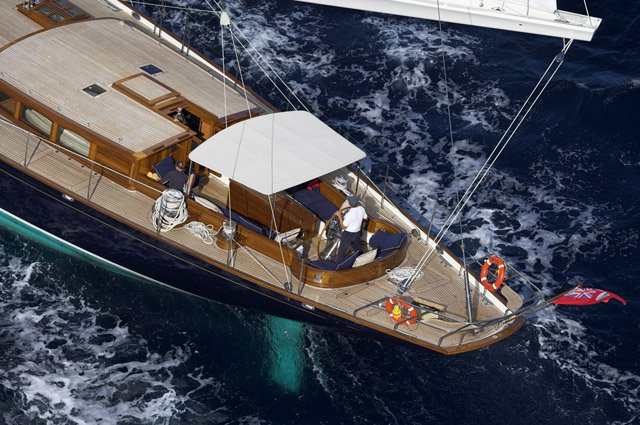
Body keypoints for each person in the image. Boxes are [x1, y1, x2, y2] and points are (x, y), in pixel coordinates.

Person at [335, 195, 367, 263]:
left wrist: (339, 216)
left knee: (341, 252)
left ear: (349, 204)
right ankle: (362, 259)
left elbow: (343, 227)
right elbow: (365, 218)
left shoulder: (349, 214)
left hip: (348, 235)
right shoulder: (361, 208)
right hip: (357, 233)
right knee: (358, 248)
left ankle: (338, 265)